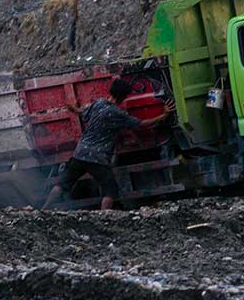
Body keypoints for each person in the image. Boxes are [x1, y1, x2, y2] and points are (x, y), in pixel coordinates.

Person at [42, 79, 173, 211]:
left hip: (80, 153)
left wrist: (73, 108)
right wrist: (163, 115)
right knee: (110, 190)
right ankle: (104, 216)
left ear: (111, 91)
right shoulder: (117, 113)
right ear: (123, 96)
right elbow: (141, 123)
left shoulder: (98, 103)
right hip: (98, 158)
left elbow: (82, 113)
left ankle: (44, 210)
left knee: (62, 184)